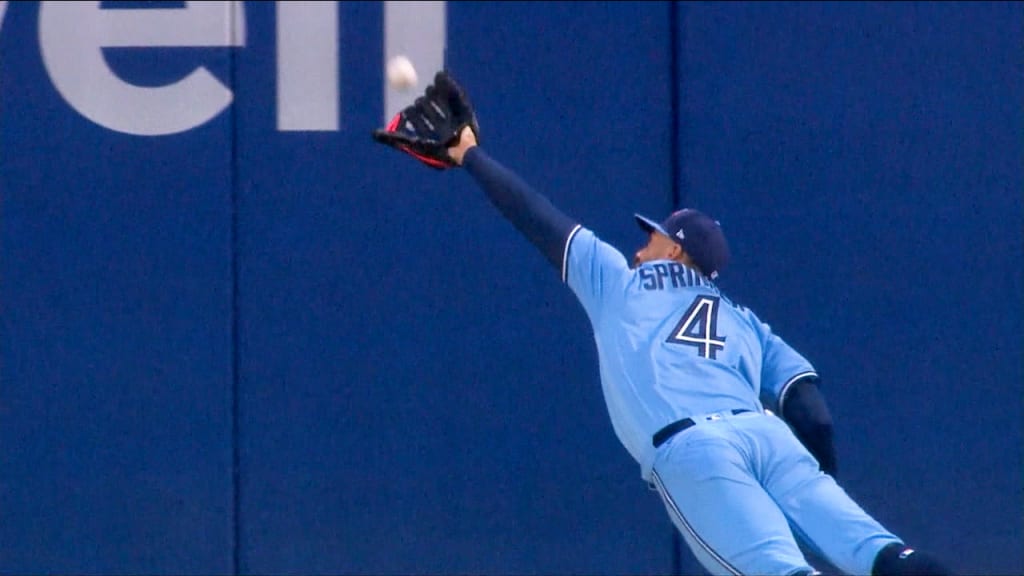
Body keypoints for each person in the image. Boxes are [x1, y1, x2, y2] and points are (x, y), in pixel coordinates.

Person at [372, 71, 953, 576]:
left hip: (694, 449)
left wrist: (468, 153)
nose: (642, 242)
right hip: (768, 436)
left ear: (676, 251)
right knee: (885, 556)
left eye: (651, 235)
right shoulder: (748, 323)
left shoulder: (620, 282)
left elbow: (537, 217)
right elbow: (812, 412)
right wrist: (812, 479)